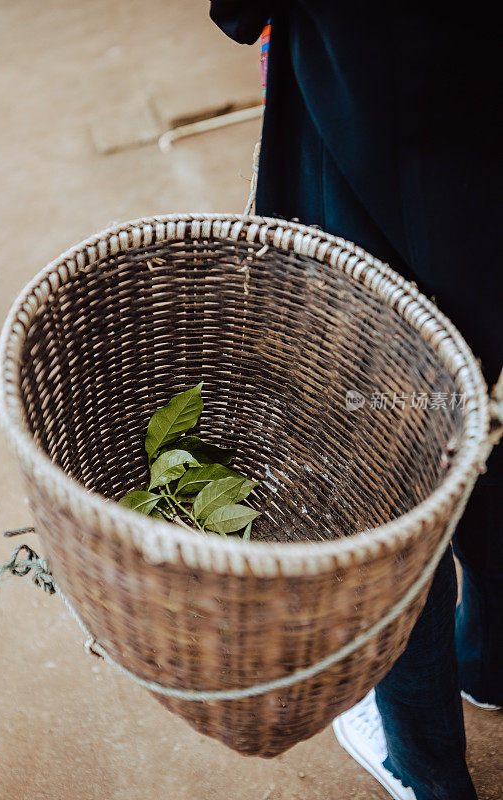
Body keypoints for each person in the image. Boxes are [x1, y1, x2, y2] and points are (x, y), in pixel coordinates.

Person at [209, 4, 503, 799]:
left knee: (383, 470)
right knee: (458, 399)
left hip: (364, 112)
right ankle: (490, 658)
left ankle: (425, 765)